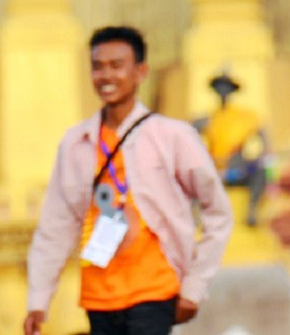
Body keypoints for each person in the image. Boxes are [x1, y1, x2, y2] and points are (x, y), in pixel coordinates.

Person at [23, 26, 233, 335]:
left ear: (140, 71)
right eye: (98, 67)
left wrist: (194, 286)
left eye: (117, 65)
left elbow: (218, 211)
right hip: (98, 295)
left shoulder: (171, 136)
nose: (106, 76)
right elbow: (56, 225)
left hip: (154, 290)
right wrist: (38, 300)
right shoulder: (76, 142)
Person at [203, 70, 269, 227]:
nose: (223, 91)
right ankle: (196, 218)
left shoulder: (245, 116)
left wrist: (261, 156)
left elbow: (264, 139)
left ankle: (252, 212)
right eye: (220, 87)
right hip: (214, 169)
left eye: (226, 87)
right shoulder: (206, 118)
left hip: (238, 168)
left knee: (261, 172)